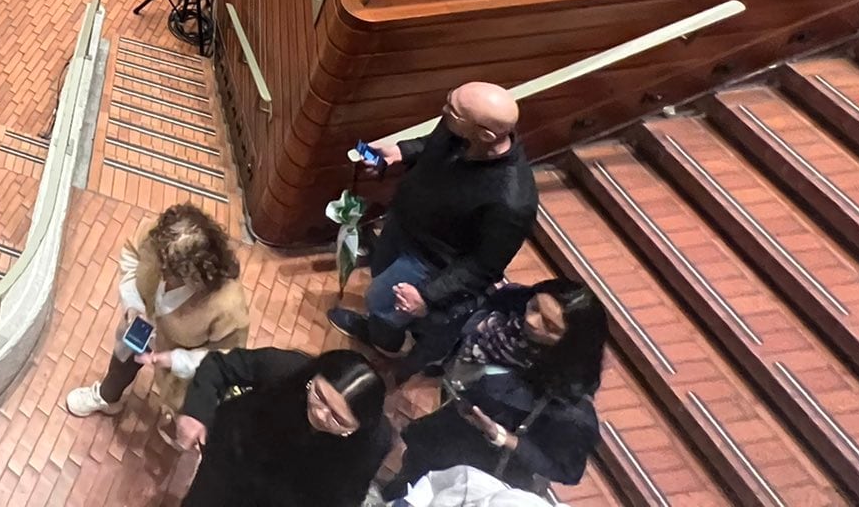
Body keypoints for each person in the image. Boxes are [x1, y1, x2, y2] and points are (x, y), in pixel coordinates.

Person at [329, 82, 538, 355]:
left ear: (486, 135)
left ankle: (385, 344)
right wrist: (403, 151)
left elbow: (482, 266)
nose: (444, 110)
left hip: (429, 260)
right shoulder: (462, 128)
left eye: (452, 109)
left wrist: (428, 296)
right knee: (380, 277)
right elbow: (433, 144)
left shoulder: (512, 201)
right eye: (449, 100)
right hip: (403, 225)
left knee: (380, 303)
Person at [386, 280, 607, 498]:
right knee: (406, 479)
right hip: (446, 428)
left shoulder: (566, 397)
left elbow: (567, 471)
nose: (530, 320)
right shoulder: (507, 310)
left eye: (549, 326)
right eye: (534, 307)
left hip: (475, 465)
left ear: (570, 340)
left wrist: (505, 438)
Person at [66, 203, 249, 422]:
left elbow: (225, 357)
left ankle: (174, 423)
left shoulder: (229, 306)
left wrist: (174, 360)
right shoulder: (158, 236)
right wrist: (133, 305)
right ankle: (107, 397)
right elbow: (131, 255)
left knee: (181, 405)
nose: (164, 279)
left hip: (182, 362)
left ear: (201, 269)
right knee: (122, 362)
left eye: (175, 274)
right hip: (141, 326)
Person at [173, 348, 390, 507]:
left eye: (337, 418)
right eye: (318, 395)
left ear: (358, 427)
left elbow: (347, 495)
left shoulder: (374, 442)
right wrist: (197, 413)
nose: (320, 414)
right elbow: (219, 366)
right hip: (234, 458)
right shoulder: (285, 368)